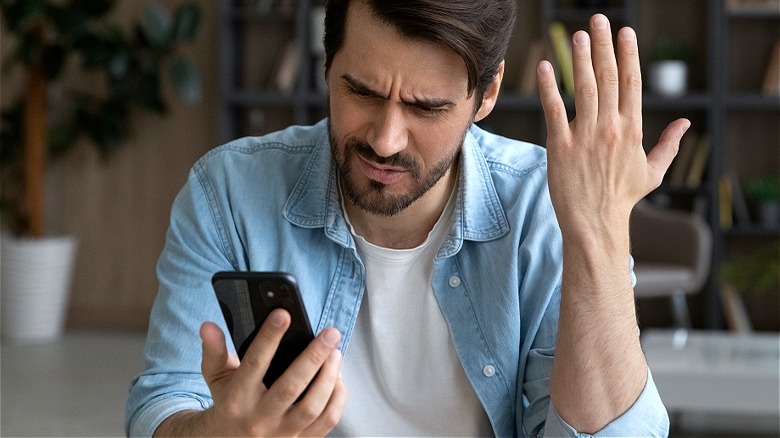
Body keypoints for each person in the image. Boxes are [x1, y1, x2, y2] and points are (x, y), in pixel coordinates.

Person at [126, 0, 689, 436]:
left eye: (427, 108)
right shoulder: (228, 191)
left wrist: (600, 234)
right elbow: (164, 404)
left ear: (486, 94)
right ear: (328, 65)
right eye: (362, 92)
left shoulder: (543, 207)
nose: (385, 139)